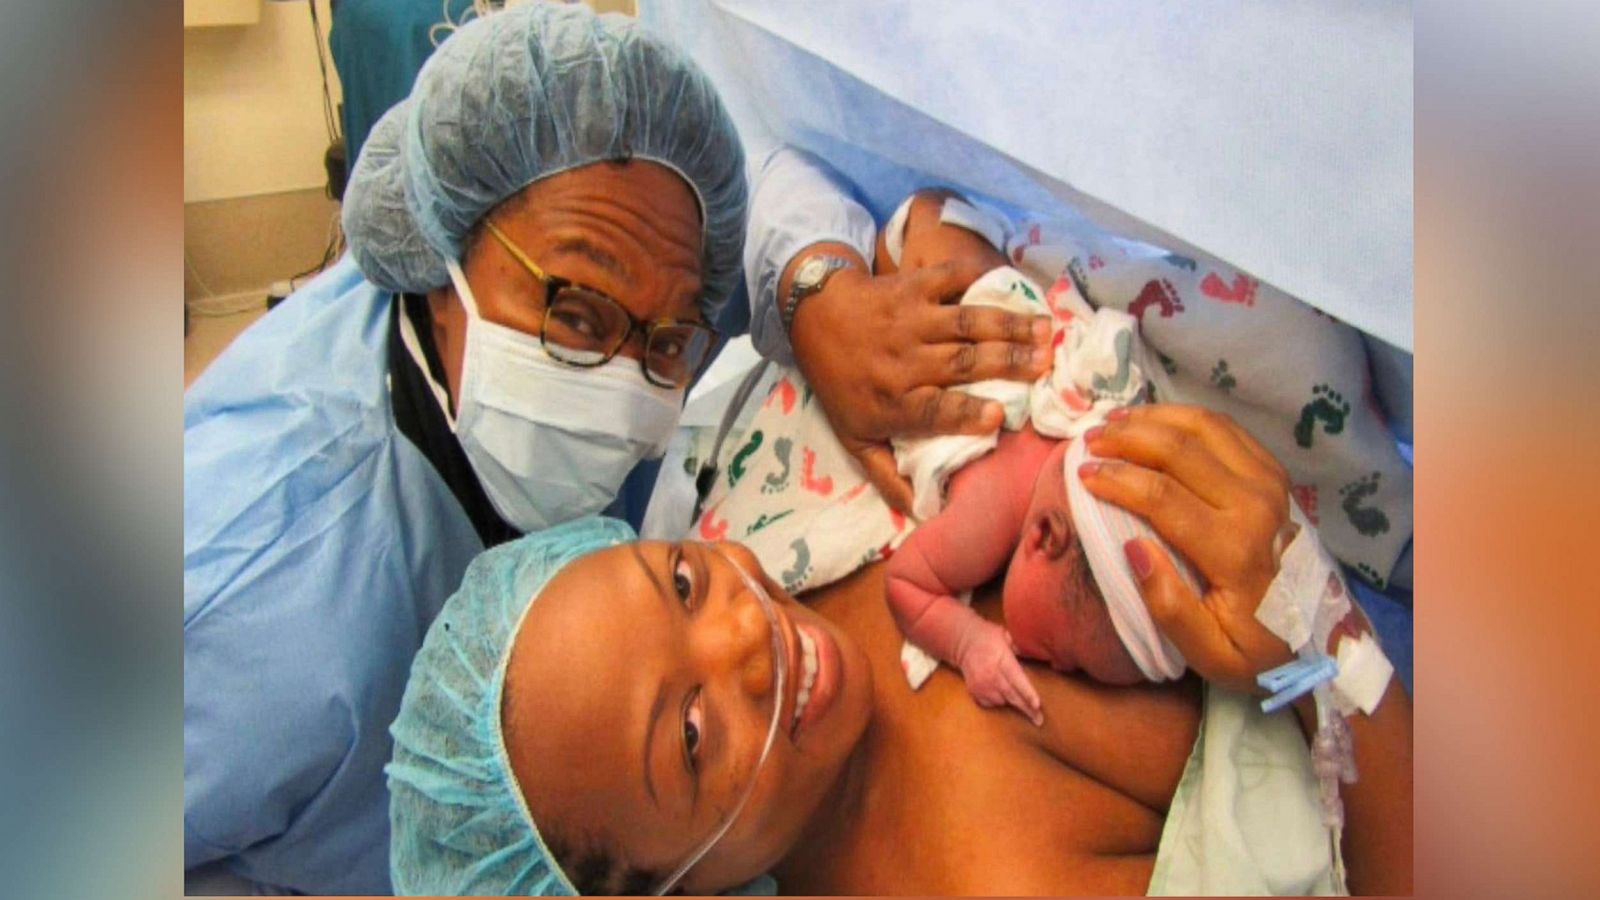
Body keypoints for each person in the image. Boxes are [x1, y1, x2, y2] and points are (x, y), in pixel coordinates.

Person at [387, 406, 1413, 896]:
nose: (748, 631)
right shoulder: (990, 879)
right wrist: (1326, 642)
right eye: (693, 735)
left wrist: (812, 295)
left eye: (682, 583)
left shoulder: (765, 500)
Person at [183, 4, 747, 892]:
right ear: (443, 266)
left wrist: (812, 284)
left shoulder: (646, 281)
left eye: (667, 344)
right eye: (577, 315)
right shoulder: (266, 590)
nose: (621, 387)